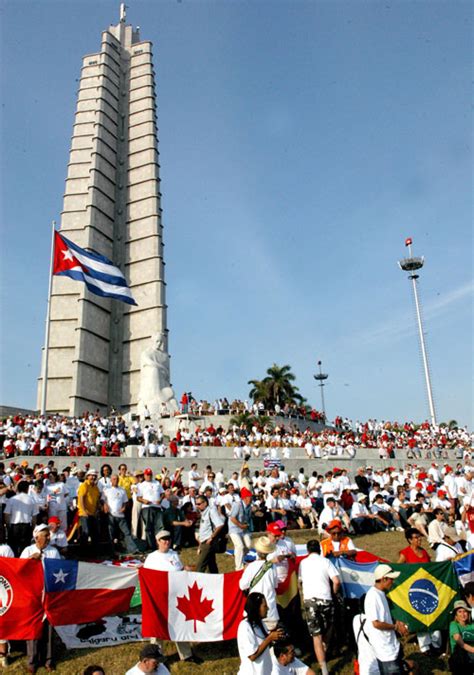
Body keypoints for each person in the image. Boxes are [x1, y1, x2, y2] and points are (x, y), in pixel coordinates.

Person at [143, 530, 203, 664]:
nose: (166, 542)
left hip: (176, 596)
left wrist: (185, 570)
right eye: (163, 539)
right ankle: (156, 656)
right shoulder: (152, 558)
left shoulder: (174, 554)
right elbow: (147, 578)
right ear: (158, 541)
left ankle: (186, 655)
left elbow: (180, 570)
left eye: (168, 539)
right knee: (158, 627)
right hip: (159, 598)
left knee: (180, 624)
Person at [297, 539, 341, 675]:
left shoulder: (303, 563)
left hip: (310, 601)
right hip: (326, 599)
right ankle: (324, 647)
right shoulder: (326, 561)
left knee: (316, 636)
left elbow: (300, 582)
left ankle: (324, 669)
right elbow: (336, 581)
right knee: (328, 629)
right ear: (320, 549)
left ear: (308, 550)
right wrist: (334, 591)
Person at [364, 564, 410, 674]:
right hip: (385, 652)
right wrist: (396, 627)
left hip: (390, 647)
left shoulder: (381, 594)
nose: (392, 582)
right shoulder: (373, 596)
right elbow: (376, 623)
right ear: (384, 579)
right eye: (391, 579)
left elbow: (384, 617)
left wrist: (396, 622)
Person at [237, 592, 285, 675]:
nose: (268, 609)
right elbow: (252, 656)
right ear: (256, 608)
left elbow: (264, 646)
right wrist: (269, 638)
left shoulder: (260, 624)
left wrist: (276, 635)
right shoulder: (245, 626)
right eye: (265, 606)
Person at [240, 536, 280, 630]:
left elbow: (242, 585)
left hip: (254, 609)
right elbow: (275, 585)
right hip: (270, 609)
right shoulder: (272, 567)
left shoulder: (251, 566)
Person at [102, 474, 139, 555]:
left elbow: (125, 502)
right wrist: (105, 505)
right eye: (114, 479)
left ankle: (133, 549)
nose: (116, 480)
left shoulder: (122, 490)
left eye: (117, 479)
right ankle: (111, 551)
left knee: (127, 532)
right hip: (111, 514)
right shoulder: (106, 490)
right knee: (110, 534)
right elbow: (103, 500)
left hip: (121, 515)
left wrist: (124, 507)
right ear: (111, 480)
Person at [195, 494, 225, 573]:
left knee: (200, 566)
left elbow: (220, 524)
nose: (197, 506)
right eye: (196, 504)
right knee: (211, 566)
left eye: (199, 504)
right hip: (204, 542)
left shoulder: (211, 511)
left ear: (205, 503)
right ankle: (215, 581)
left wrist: (211, 537)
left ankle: (196, 583)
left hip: (208, 542)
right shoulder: (203, 513)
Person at [228, 487, 253, 570]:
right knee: (240, 546)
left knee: (249, 545)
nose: (251, 498)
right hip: (234, 529)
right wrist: (241, 525)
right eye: (250, 497)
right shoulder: (237, 505)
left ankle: (238, 556)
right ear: (245, 498)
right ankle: (239, 567)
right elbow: (232, 518)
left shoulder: (249, 507)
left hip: (243, 529)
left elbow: (247, 518)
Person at [77, 468, 101, 548]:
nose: (93, 477)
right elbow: (80, 498)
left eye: (95, 476)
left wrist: (97, 510)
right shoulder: (84, 485)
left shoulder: (96, 487)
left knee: (95, 533)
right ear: (87, 476)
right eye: (92, 476)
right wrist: (84, 511)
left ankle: (93, 551)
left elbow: (97, 500)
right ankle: (83, 551)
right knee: (85, 532)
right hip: (85, 514)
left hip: (93, 513)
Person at [449, 600, 474, 673]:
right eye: (459, 611)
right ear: (455, 615)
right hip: (461, 656)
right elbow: (461, 643)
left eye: (465, 611)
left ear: (468, 613)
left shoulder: (472, 625)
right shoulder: (454, 625)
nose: (463, 614)